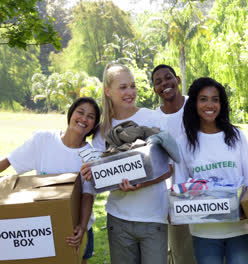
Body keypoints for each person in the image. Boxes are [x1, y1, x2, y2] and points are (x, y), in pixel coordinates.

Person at [80, 63, 172, 264]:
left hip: (153, 217)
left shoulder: (153, 118)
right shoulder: (102, 129)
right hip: (118, 219)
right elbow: (100, 172)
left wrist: (142, 183)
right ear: (108, 91)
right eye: (123, 87)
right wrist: (92, 171)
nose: (130, 92)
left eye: (132, 86)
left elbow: (169, 167)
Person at [0, 97, 101, 264]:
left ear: (94, 125)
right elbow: (10, 160)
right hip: (43, 225)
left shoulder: (90, 155)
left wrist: (82, 229)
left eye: (90, 117)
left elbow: (87, 195)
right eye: (80, 112)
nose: (84, 119)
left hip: (76, 227)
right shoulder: (44, 139)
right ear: (71, 114)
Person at [174, 77, 248, 264]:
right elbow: (180, 186)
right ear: (194, 103)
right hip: (204, 232)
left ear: (221, 103)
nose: (209, 105)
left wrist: (245, 208)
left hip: (239, 228)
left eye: (215, 99)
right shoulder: (183, 142)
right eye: (203, 99)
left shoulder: (237, 137)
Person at [152, 64, 196, 264]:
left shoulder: (196, 106)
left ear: (177, 79)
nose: (164, 84)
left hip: (204, 190)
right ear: (155, 90)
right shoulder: (154, 119)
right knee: (182, 255)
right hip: (174, 198)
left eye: (168, 77)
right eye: (158, 82)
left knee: (212, 254)